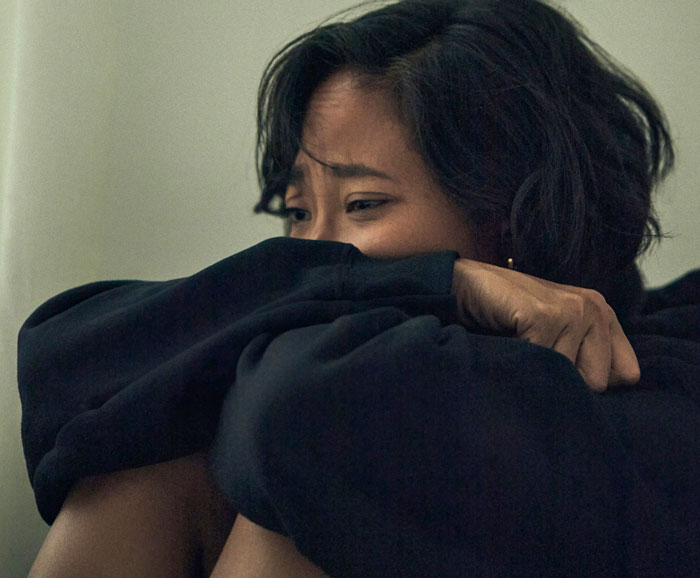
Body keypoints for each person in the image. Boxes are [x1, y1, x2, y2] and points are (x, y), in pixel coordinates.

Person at [18, 0, 699, 576]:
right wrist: (444, 281)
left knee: (295, 511)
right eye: (297, 211)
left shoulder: (668, 369)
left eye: (363, 204)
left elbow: (298, 409)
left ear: (513, 216)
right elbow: (66, 359)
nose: (312, 250)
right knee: (146, 460)